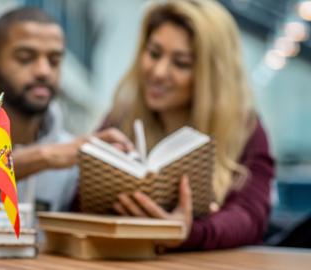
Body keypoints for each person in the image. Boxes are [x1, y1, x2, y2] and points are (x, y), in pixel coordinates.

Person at [0, 7, 132, 213]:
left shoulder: (67, 152)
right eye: (25, 58)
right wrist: (43, 157)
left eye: (54, 61)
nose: (43, 71)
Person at [102, 0, 275, 250]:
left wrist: (189, 232)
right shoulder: (121, 117)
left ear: (211, 75)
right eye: (154, 53)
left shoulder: (244, 128)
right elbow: (77, 202)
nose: (159, 72)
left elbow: (251, 217)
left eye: (181, 63)